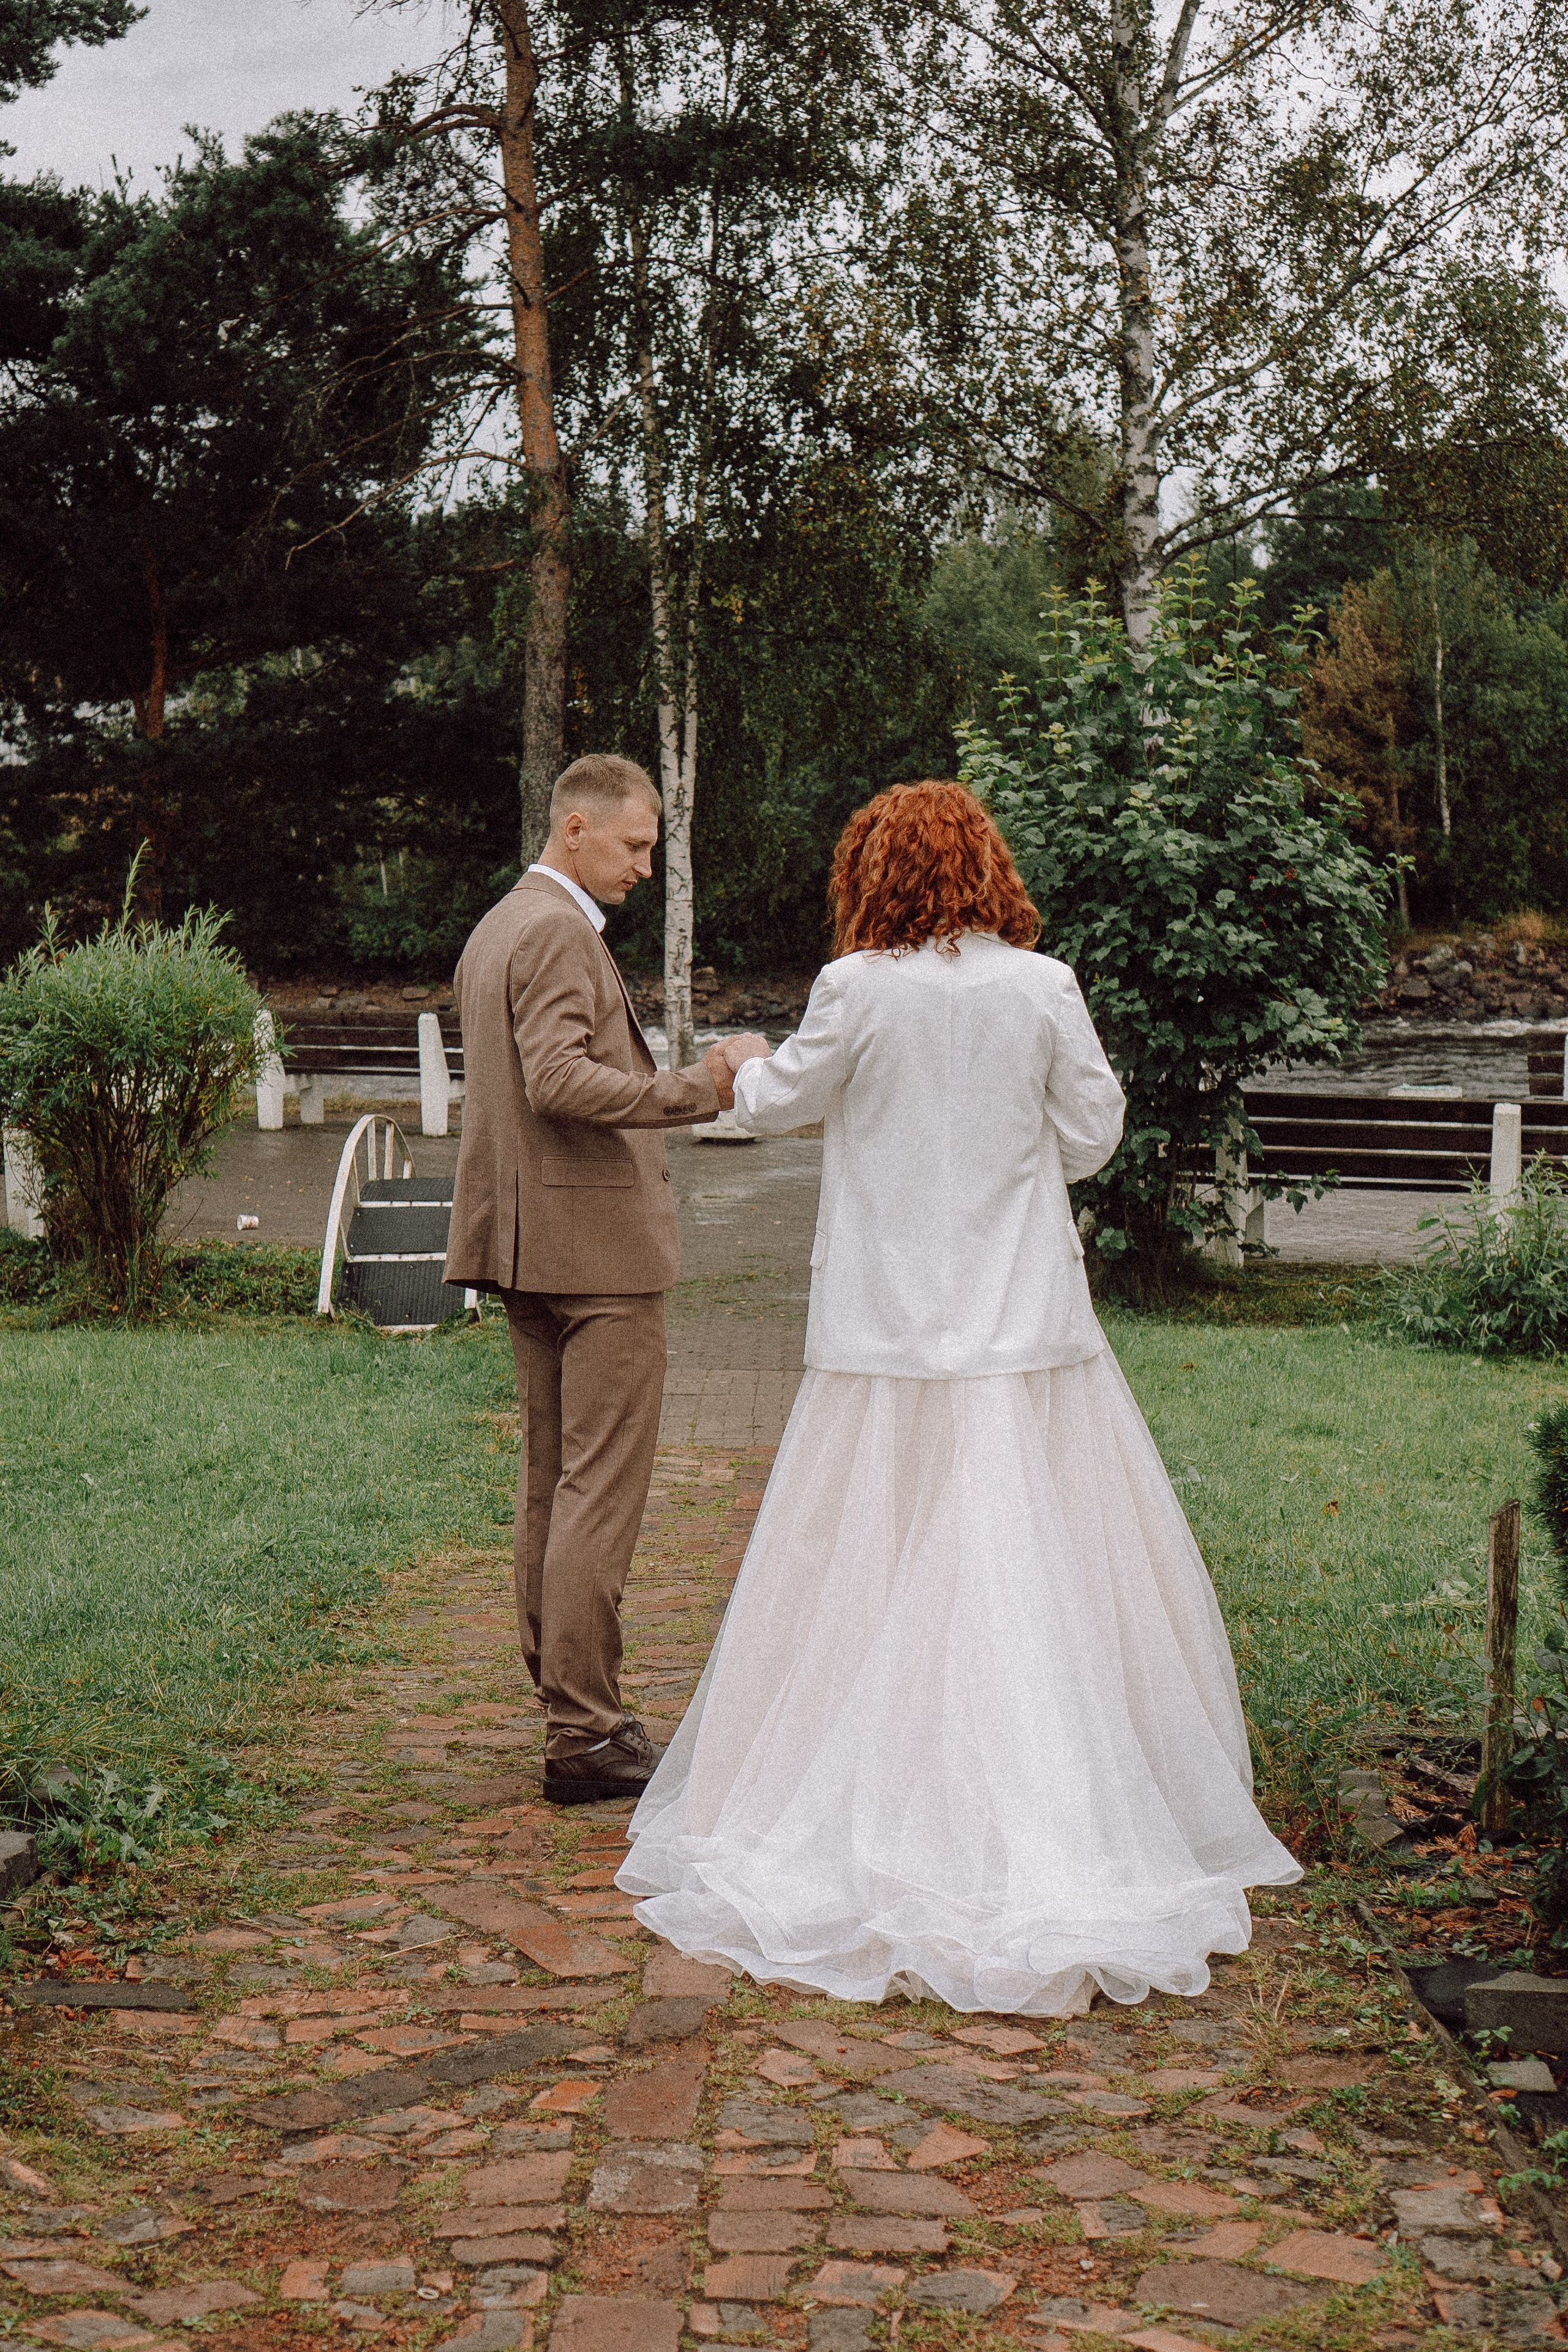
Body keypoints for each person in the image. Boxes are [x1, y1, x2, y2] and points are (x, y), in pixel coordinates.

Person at [619, 778, 1300, 2014]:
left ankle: (884, 1790)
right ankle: (1050, 1800)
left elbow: (773, 1109)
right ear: (986, 869)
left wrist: (743, 1058)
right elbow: (1092, 1132)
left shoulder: (855, 990)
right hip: (1022, 1323)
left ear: (871, 874)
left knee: (873, 1556)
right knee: (1031, 1556)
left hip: (884, 1330)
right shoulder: (1041, 989)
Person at [445, 753, 766, 1807]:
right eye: (634, 845)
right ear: (574, 828)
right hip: (596, 1260)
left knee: (552, 1480)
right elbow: (559, 1078)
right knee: (598, 1490)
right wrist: (700, 1086)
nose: (644, 867)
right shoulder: (551, 929)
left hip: (534, 1247)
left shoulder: (501, 923)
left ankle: (570, 1708)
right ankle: (586, 1734)